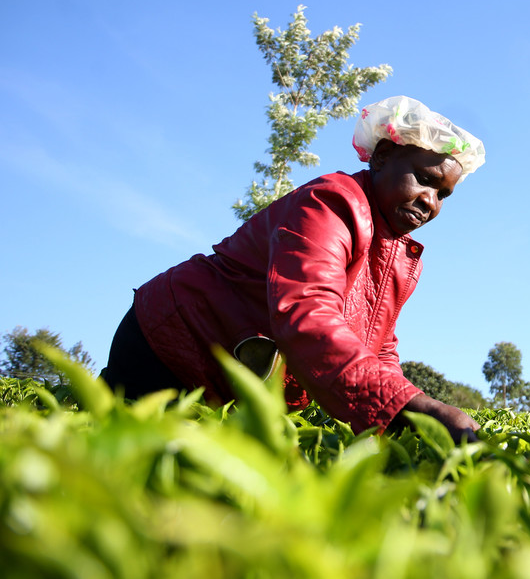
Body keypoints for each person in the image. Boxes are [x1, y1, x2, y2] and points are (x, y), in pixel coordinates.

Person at [101, 95, 485, 442]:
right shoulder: (331, 204)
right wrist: (416, 410)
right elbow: (307, 314)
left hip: (231, 379)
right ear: (382, 156)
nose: (430, 202)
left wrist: (411, 410)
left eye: (443, 194)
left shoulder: (397, 255)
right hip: (170, 346)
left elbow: (379, 347)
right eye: (425, 179)